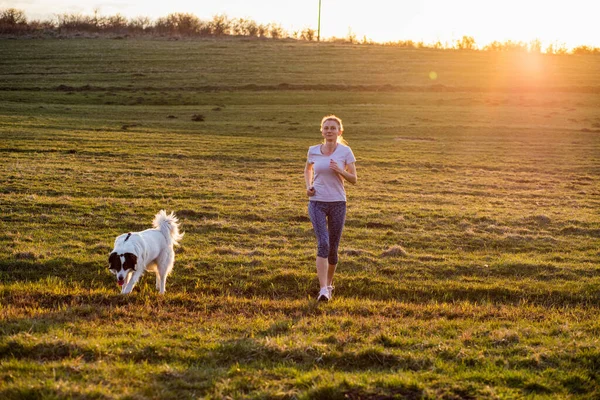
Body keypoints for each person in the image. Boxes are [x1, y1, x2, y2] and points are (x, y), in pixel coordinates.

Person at [304, 115, 357, 302]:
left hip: (338, 203)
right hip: (317, 202)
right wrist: (308, 186)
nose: (329, 131)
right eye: (326, 127)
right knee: (323, 244)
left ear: (339, 131)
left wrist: (340, 171)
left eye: (333, 128)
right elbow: (308, 169)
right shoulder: (313, 151)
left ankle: (329, 284)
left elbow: (354, 179)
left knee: (333, 248)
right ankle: (323, 289)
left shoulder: (345, 152)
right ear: (321, 130)